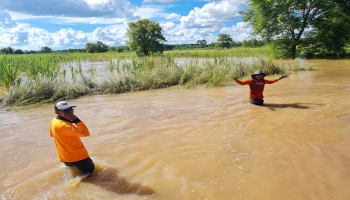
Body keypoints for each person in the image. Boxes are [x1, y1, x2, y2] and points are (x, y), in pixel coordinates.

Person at [49, 101, 95, 177]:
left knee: (75, 173)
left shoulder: (53, 121)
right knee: (91, 173)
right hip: (79, 156)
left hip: (65, 157)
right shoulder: (65, 125)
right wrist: (76, 119)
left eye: (71, 108)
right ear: (57, 112)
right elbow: (86, 133)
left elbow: (52, 135)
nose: (70, 111)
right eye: (66, 110)